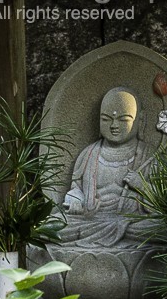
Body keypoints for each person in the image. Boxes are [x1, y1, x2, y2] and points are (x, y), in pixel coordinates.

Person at [54, 87, 157, 249]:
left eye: (123, 120)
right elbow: (76, 188)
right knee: (47, 227)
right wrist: (75, 199)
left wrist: (142, 186)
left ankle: (116, 234)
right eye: (106, 119)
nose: (114, 125)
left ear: (140, 121)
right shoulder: (88, 154)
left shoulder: (149, 156)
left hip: (132, 223)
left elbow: (162, 205)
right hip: (90, 220)